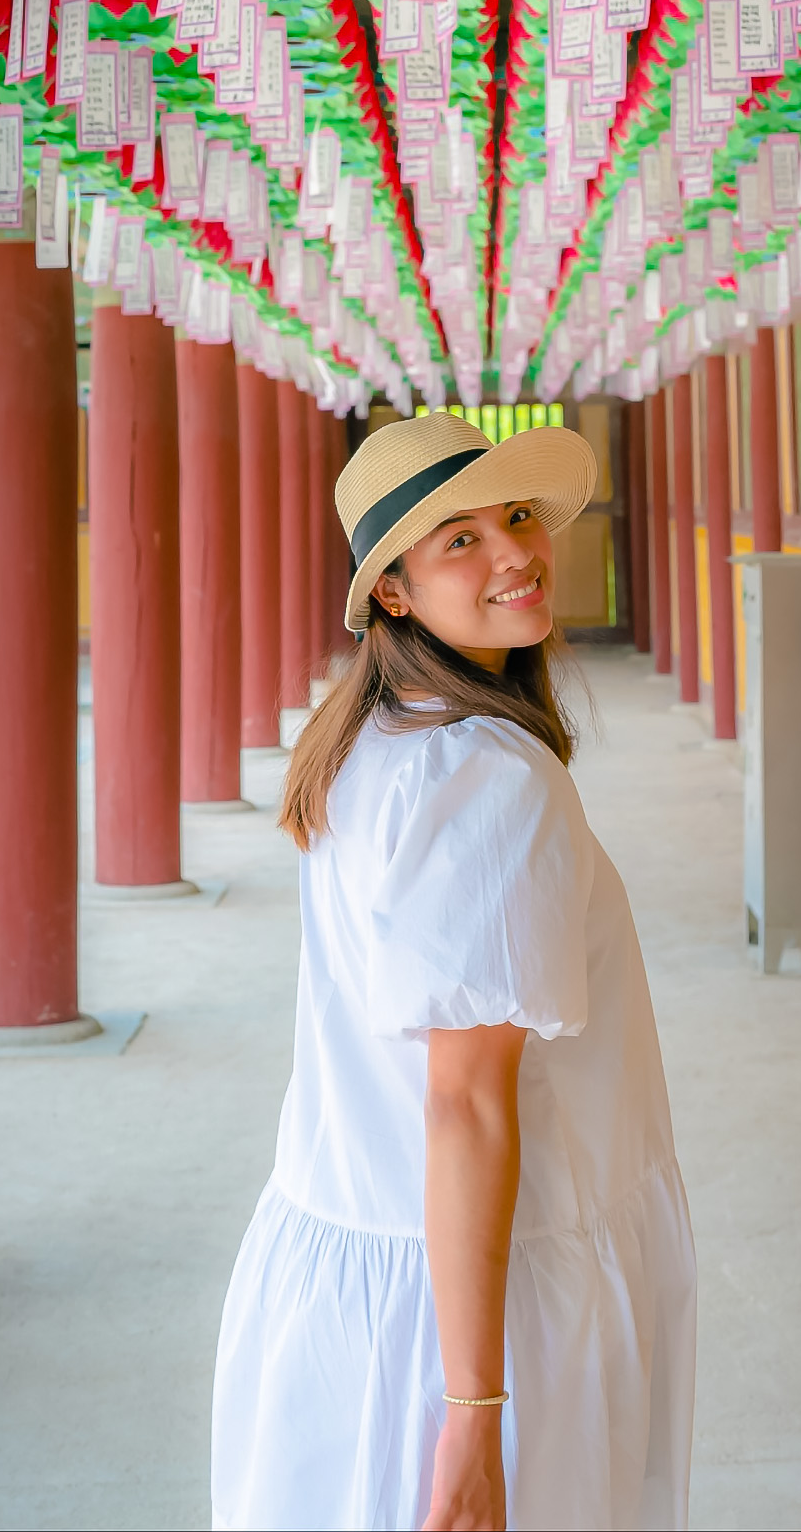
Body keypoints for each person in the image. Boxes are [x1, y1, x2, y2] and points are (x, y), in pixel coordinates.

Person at [212, 409, 696, 1532]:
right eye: (459, 541)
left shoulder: (368, 741)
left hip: (350, 1268)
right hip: (471, 1309)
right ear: (393, 591)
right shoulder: (487, 780)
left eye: (515, 517)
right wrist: (473, 1411)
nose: (515, 552)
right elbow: (466, 1103)